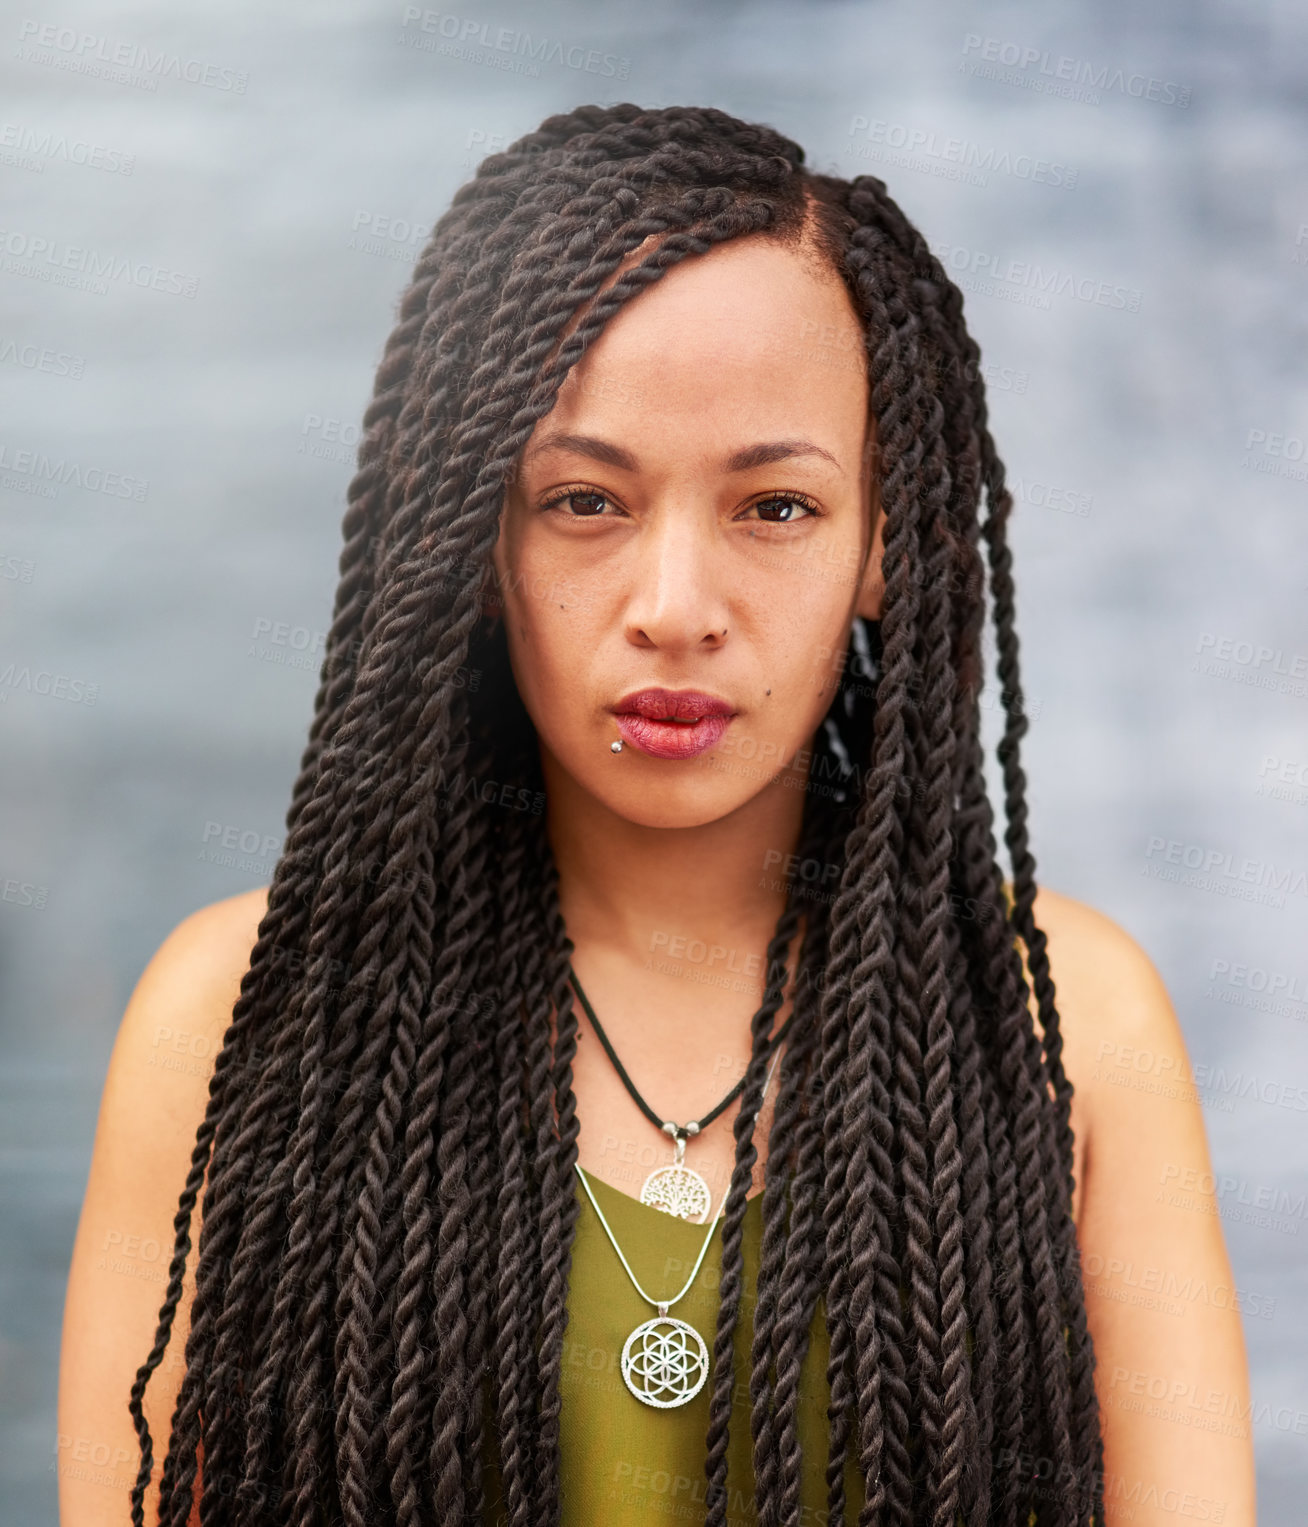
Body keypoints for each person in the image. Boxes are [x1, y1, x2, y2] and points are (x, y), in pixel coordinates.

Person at [57, 103, 1255, 1526]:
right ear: (474, 540)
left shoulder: (1072, 1026)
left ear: (888, 538)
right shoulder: (231, 1020)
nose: (674, 610)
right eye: (582, 499)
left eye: (776, 509)